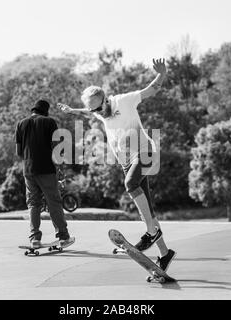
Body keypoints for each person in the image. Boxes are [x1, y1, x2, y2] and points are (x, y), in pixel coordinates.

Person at [59, 58, 176, 271]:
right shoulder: (97, 111)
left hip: (144, 152)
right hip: (126, 161)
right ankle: (165, 253)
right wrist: (72, 110)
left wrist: (162, 74)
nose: (99, 114)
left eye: (100, 108)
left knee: (131, 184)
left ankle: (151, 233)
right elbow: (87, 111)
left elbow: (152, 90)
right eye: (94, 111)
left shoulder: (124, 100)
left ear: (106, 99)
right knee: (148, 211)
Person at [15, 99, 75, 249]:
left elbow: (18, 152)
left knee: (33, 203)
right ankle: (63, 237)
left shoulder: (21, 124)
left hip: (28, 170)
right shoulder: (49, 122)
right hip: (47, 169)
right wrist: (59, 167)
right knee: (53, 202)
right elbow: (56, 148)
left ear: (33, 110)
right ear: (45, 111)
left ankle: (34, 239)